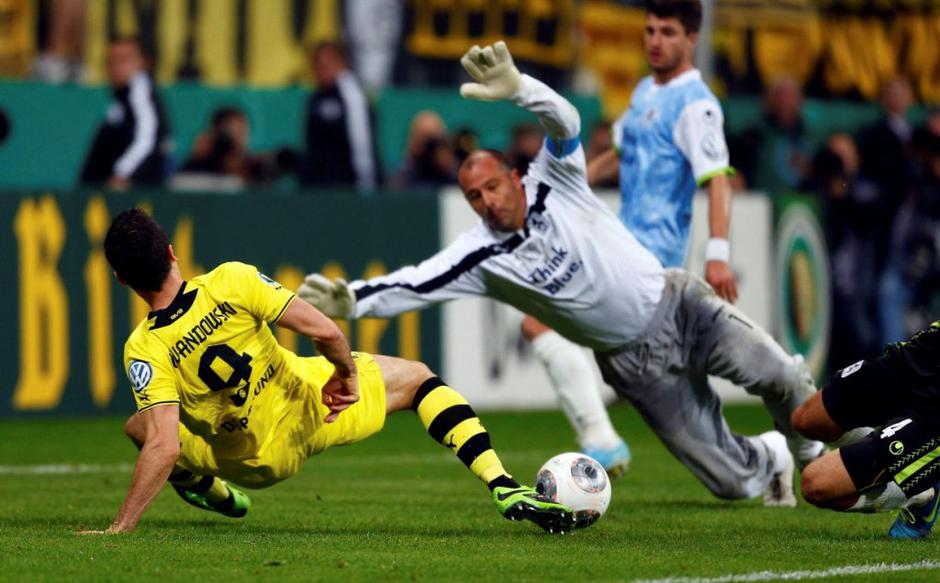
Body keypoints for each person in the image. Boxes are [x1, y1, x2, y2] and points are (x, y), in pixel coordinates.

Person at [300, 41, 824, 506]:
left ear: (513, 175)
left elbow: (567, 122)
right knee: (733, 484)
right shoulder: (481, 254)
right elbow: (414, 284)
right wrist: (351, 300)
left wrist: (521, 88)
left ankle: (829, 455)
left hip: (682, 306)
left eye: (491, 187)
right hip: (633, 364)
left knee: (780, 375)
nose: (486, 202)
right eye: (473, 197)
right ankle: (773, 455)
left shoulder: (555, 180)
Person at [80, 209, 572, 535]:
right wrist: (346, 377)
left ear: (122, 279)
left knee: (141, 428)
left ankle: (208, 488)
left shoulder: (144, 348)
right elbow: (328, 332)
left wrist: (119, 528)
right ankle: (501, 483)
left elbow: (163, 445)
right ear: (171, 253)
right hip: (312, 406)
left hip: (247, 462)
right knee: (420, 380)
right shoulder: (231, 280)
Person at [518, 0, 741, 477]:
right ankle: (781, 452)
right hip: (622, 247)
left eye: (667, 32)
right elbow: (617, 154)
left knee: (542, 323)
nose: (654, 41)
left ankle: (601, 441)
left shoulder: (696, 104)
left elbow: (717, 178)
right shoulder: (644, 92)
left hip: (651, 259)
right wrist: (563, 186)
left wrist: (718, 252)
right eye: (649, 30)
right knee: (671, 396)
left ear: (691, 39)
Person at [792, 321, 940, 539]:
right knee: (807, 419)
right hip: (926, 352)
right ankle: (893, 453)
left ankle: (922, 492)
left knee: (816, 484)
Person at [79, 37, 171, 189]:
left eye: (124, 59)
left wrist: (122, 175)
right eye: (111, 60)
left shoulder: (141, 93)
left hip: (132, 197)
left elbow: (147, 141)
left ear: (143, 63)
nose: (116, 66)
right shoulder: (120, 97)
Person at [302, 41, 379, 192]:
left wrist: (366, 186)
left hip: (348, 187)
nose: (321, 70)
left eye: (326, 64)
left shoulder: (354, 97)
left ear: (341, 64)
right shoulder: (314, 99)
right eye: (317, 65)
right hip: (318, 189)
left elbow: (361, 143)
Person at [729, 76, 811, 196]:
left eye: (790, 96)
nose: (784, 102)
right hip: (761, 205)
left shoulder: (811, 137)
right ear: (767, 100)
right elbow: (734, 171)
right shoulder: (751, 137)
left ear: (800, 101)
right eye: (779, 95)